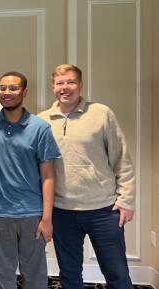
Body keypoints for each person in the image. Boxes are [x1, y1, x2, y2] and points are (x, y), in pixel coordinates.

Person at [38, 64, 135, 289]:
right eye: (60, 83)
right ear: (53, 86)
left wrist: (126, 200)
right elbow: (40, 169)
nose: (65, 87)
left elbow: (122, 159)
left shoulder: (101, 113)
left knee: (118, 275)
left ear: (80, 85)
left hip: (103, 210)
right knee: (70, 276)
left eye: (71, 82)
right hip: (62, 212)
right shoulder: (42, 120)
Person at [0, 71, 60, 289]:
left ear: (24, 92)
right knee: (2, 276)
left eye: (13, 88)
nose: (7, 93)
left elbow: (48, 175)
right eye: (2, 88)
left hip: (31, 215)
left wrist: (47, 218)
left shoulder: (40, 128)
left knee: (34, 276)